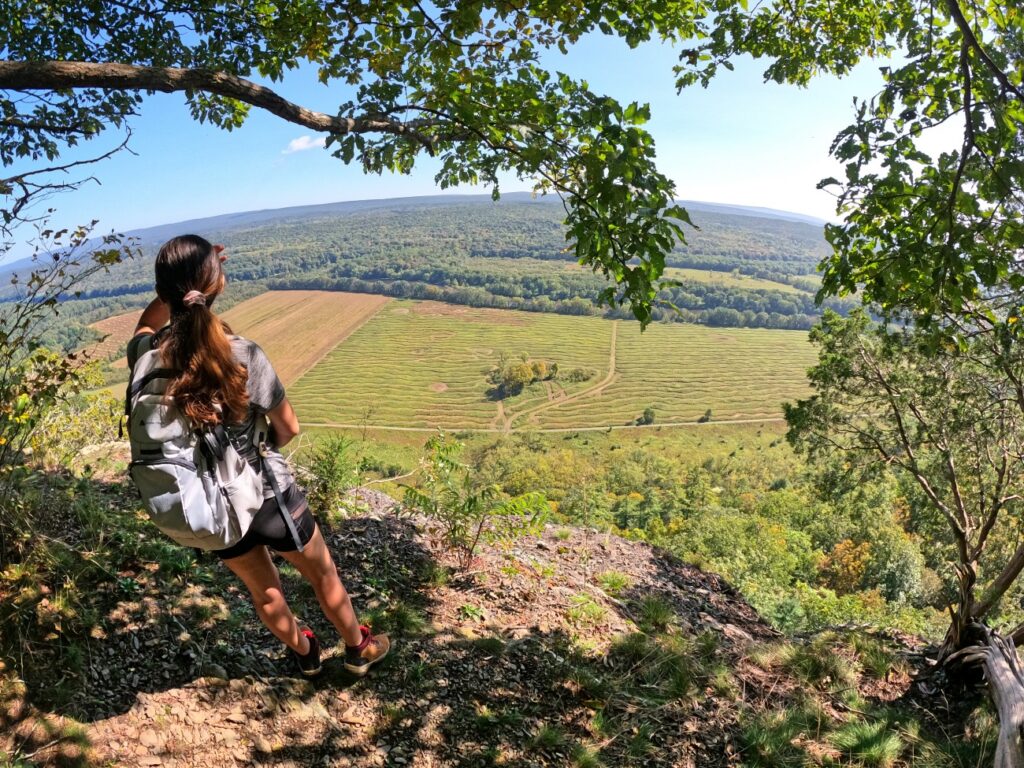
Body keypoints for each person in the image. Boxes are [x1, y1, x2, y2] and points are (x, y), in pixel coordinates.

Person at [127, 234, 389, 677]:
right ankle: (357, 648)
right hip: (267, 493)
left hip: (213, 503)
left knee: (264, 592)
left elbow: (145, 327)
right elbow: (288, 428)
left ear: (165, 292)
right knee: (323, 575)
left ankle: (305, 655)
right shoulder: (242, 355)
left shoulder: (145, 358)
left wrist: (178, 285)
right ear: (216, 286)